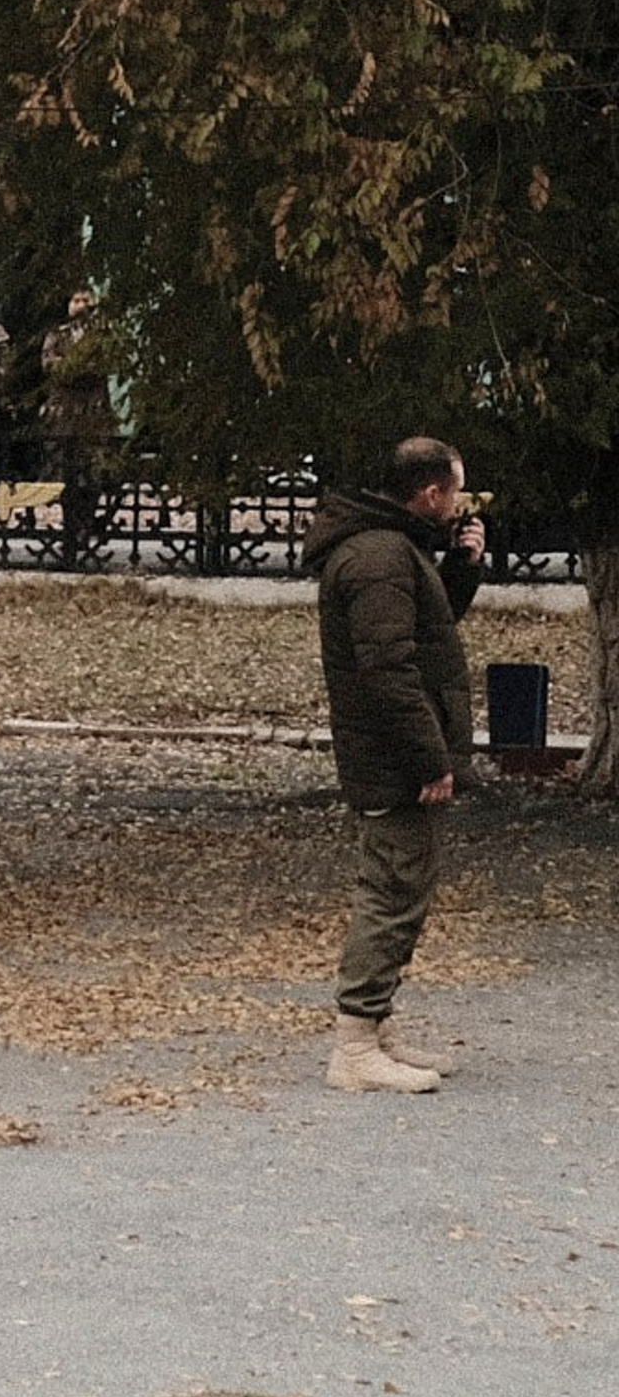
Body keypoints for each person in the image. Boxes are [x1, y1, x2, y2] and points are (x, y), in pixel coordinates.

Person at [303, 434, 486, 1094]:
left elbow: (425, 630)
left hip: (396, 749)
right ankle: (354, 1047)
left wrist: (461, 569)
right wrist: (429, 757)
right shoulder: (378, 556)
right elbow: (389, 669)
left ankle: (373, 1028)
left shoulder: (390, 545)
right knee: (391, 891)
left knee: (404, 887)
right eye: (456, 492)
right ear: (431, 493)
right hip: (392, 754)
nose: (459, 504)